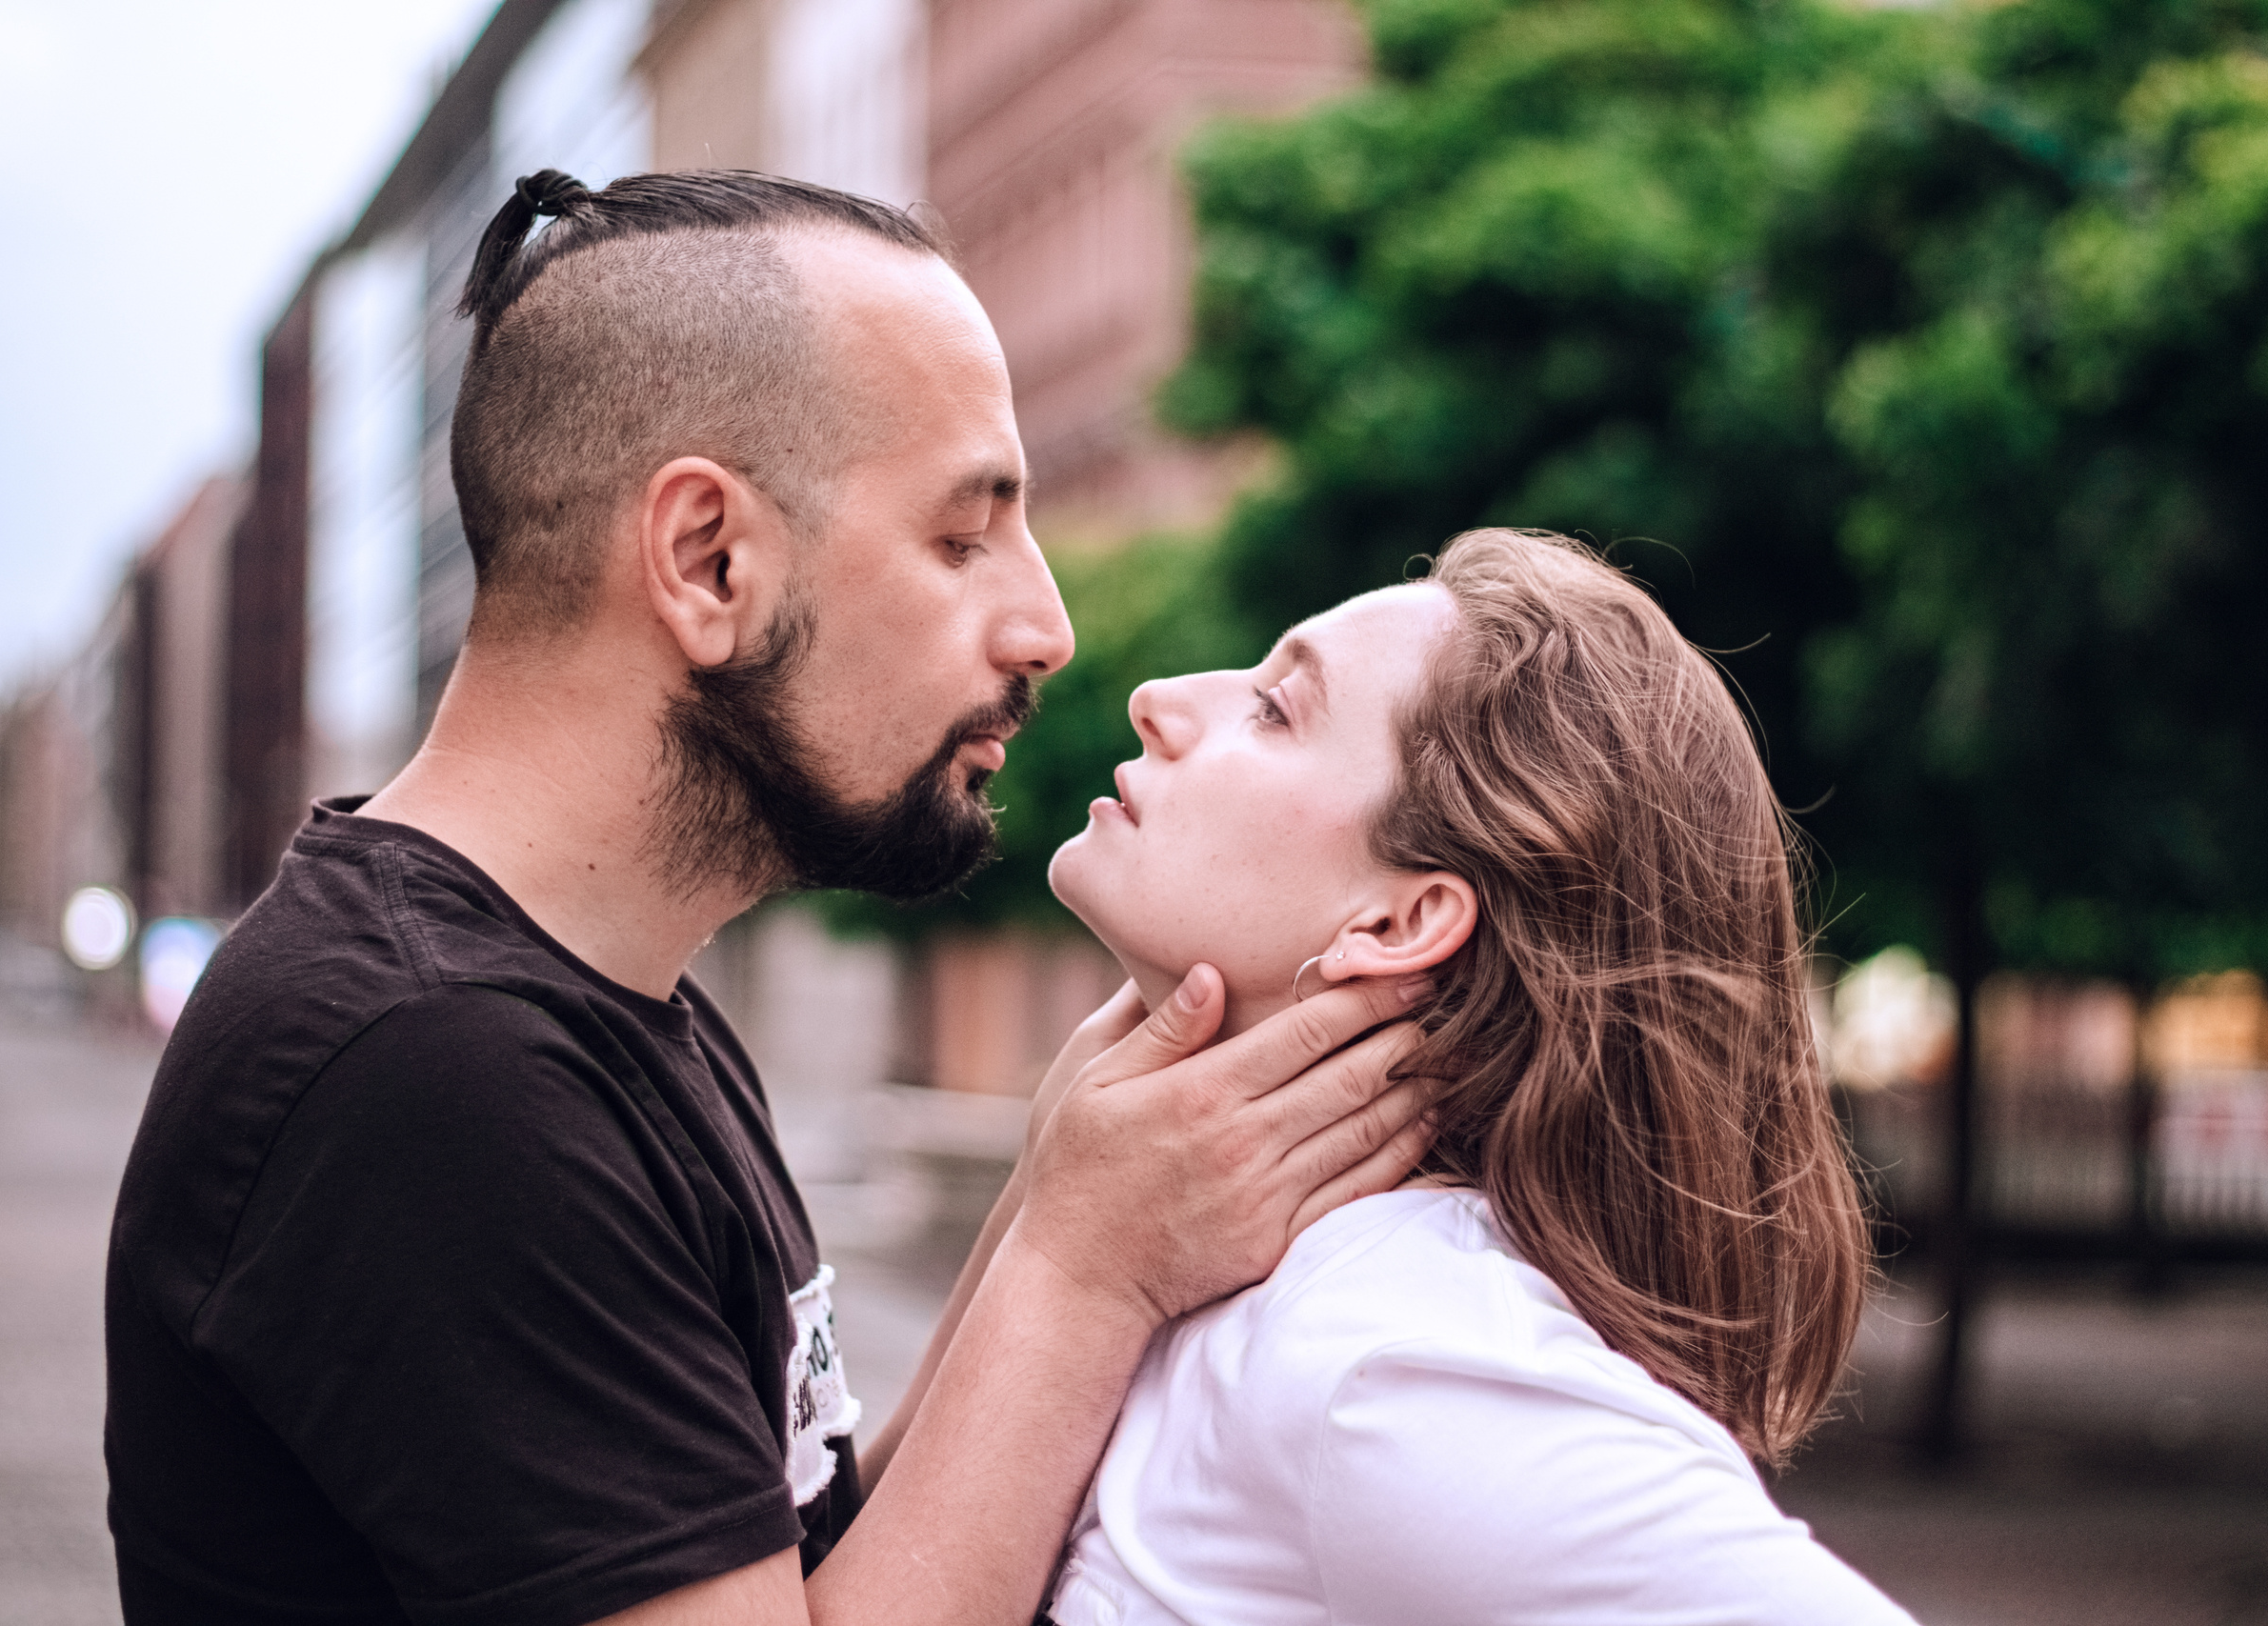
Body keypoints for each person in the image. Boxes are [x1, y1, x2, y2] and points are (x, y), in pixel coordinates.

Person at [102, 170, 1434, 1626]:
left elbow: (812, 1560)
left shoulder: (601, 1000)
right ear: (707, 559)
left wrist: (1059, 1187)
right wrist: (1082, 1270)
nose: (1045, 625)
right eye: (961, 534)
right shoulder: (433, 1071)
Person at [1015, 530, 1917, 1623]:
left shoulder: (1388, 1355)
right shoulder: (1236, 1271)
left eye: (1275, 708)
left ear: (1402, 919)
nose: (1158, 697)